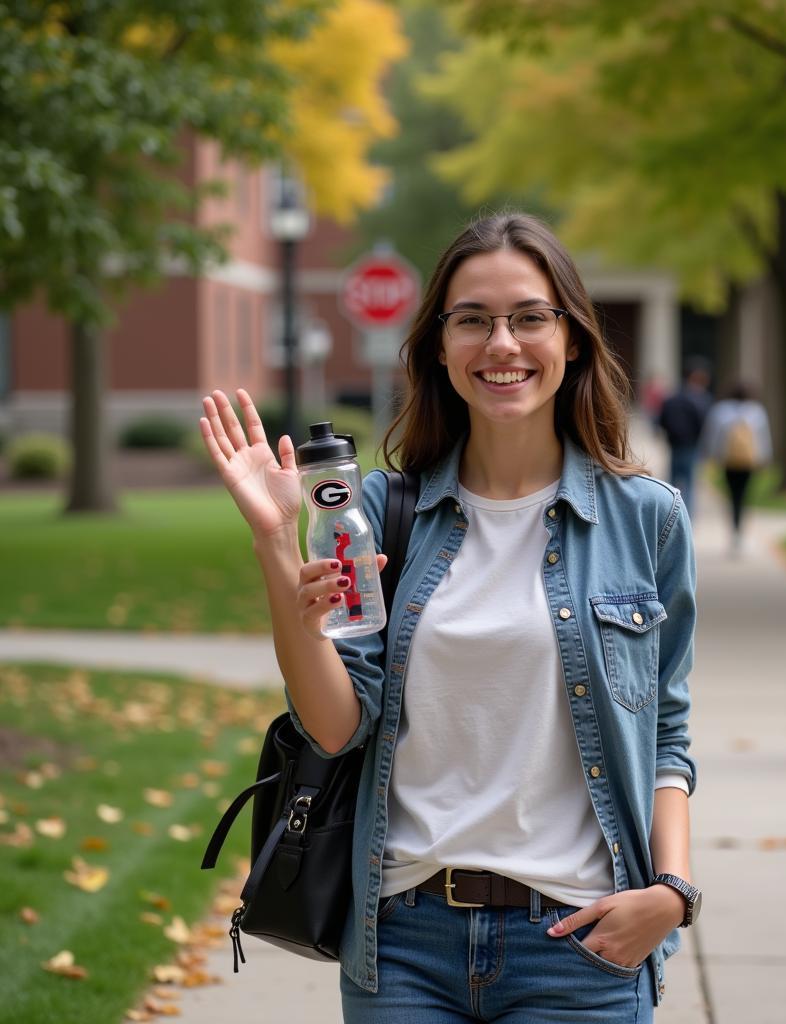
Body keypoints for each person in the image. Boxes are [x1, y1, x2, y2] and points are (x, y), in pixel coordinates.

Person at [199, 212, 699, 1022]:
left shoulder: (649, 520)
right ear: (439, 345)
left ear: (571, 339)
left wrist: (672, 895)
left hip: (581, 944)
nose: (502, 343)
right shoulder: (381, 513)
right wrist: (273, 542)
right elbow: (333, 728)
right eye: (472, 320)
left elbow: (667, 736)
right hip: (403, 943)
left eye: (530, 317)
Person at [699, 382, 772, 552]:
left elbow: (713, 436)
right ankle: (739, 530)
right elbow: (763, 437)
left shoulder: (720, 410)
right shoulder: (757, 411)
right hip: (748, 461)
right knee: (743, 494)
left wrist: (711, 456)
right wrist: (764, 458)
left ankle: (733, 529)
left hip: (728, 460)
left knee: (732, 494)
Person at [658, 359, 713, 513]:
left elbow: (662, 420)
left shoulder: (672, 397)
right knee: (689, 483)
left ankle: (669, 512)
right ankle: (685, 515)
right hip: (691, 445)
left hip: (675, 444)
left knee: (672, 482)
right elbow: (705, 424)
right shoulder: (701, 399)